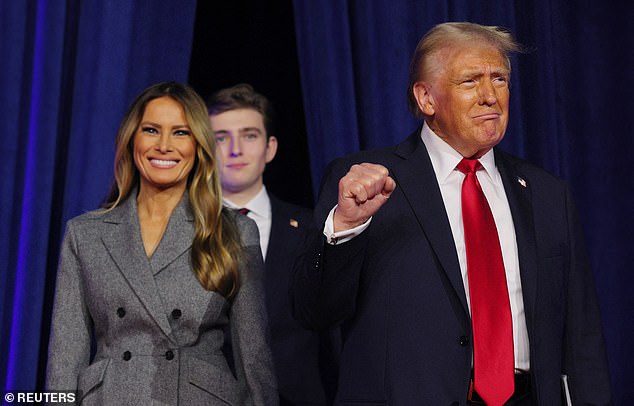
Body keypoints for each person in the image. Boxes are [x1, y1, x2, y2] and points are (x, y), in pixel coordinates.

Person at [292, 22, 612, 405]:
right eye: (470, 81)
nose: (490, 96)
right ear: (426, 98)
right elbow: (314, 311)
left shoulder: (547, 193)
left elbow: (582, 338)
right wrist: (345, 226)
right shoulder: (366, 183)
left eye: (499, 79)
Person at [46, 82, 278, 405]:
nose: (164, 146)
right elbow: (64, 361)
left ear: (199, 145)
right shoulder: (85, 235)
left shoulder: (234, 232)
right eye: (152, 130)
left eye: (180, 133)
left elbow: (254, 359)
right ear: (132, 140)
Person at [208, 84, 337, 405]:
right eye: (220, 138)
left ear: (270, 147)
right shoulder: (180, 232)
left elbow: (336, 334)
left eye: (250, 135)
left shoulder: (315, 228)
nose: (235, 149)